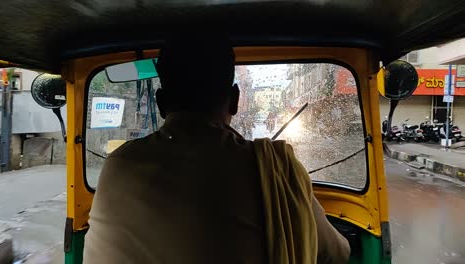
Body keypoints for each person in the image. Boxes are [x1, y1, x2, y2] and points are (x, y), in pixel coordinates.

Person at [83, 34, 350, 264]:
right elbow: (337, 254)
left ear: (161, 104)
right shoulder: (279, 170)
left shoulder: (120, 164)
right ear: (234, 100)